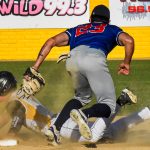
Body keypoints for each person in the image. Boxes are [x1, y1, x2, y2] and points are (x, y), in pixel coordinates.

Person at [24, 4, 135, 145]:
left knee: (81, 97)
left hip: (72, 60)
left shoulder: (78, 29)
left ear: (90, 18)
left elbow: (51, 41)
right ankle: (84, 114)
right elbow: (129, 40)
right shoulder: (111, 29)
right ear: (108, 20)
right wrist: (126, 62)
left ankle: (55, 129)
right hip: (94, 58)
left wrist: (35, 67)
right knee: (109, 105)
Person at [0, 71, 139, 146]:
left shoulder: (15, 103)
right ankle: (138, 108)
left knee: (93, 138)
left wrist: (11, 134)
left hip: (60, 127)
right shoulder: (19, 96)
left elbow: (17, 113)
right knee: (110, 133)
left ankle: (120, 102)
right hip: (62, 121)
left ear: (3, 88)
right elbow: (5, 118)